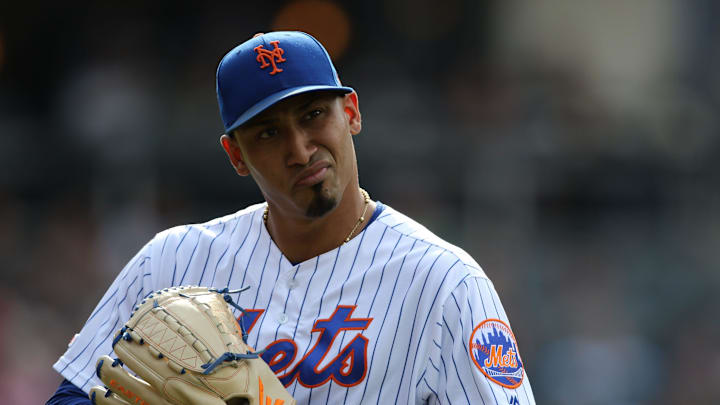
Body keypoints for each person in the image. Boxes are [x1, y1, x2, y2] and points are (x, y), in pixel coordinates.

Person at [47, 31, 536, 404]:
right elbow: (75, 392)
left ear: (351, 114)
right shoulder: (171, 261)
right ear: (235, 156)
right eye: (267, 134)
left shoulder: (445, 283)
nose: (300, 150)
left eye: (312, 116)